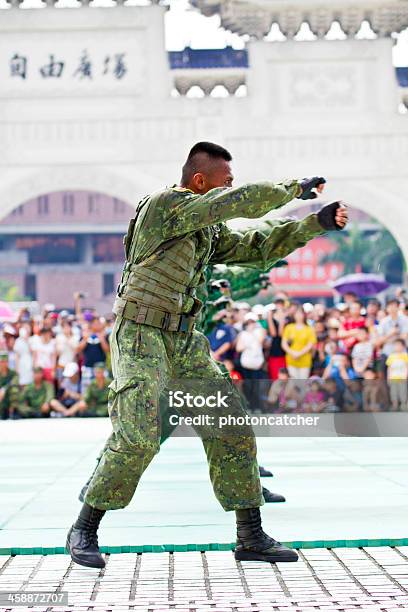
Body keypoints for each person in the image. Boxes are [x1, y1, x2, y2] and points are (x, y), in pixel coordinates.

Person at [66, 140, 348, 569]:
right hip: (140, 335)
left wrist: (316, 223)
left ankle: (250, 536)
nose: (229, 188)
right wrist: (293, 189)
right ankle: (85, 526)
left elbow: (256, 246)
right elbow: (238, 202)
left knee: (230, 425)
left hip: (183, 340)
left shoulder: (205, 230)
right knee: (138, 436)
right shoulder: (165, 207)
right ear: (200, 181)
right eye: (224, 181)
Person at [236, 312, 267, 412]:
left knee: (257, 386)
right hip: (246, 364)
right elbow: (238, 348)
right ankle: (249, 406)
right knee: (247, 386)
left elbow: (261, 341)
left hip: (257, 364)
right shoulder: (243, 334)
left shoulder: (260, 331)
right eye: (248, 322)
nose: (250, 324)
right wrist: (247, 341)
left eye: (252, 322)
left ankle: (257, 406)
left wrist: (252, 333)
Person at [281, 306, 317, 379]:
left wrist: (299, 354)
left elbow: (310, 344)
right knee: (293, 382)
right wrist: (292, 353)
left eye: (300, 313)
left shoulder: (309, 329)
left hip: (305, 360)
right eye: (297, 314)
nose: (299, 316)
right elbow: (284, 343)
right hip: (291, 359)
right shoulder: (289, 327)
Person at [386, 339, 408, 411]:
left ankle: (403, 404)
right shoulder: (391, 356)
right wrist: (388, 377)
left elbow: (407, 366)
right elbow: (389, 367)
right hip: (393, 377)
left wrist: (406, 375)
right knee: (393, 392)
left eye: (399, 345)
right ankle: (394, 405)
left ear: (403, 346)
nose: (397, 347)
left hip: (402, 377)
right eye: (395, 345)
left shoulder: (405, 355)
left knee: (403, 391)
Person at [0, 352, 19, 420]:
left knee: (14, 389)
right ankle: (3, 411)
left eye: (5, 361)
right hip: (2, 399)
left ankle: (14, 411)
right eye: (2, 362)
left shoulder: (13, 373)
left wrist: (4, 389)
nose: (3, 364)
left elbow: (15, 381)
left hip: (10, 398)